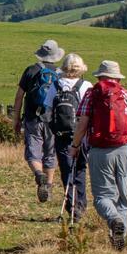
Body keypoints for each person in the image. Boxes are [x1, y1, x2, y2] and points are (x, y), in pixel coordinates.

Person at [69, 60, 127, 250]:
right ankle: (119, 240)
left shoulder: (91, 96)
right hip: (125, 149)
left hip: (100, 151)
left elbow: (82, 126)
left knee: (102, 197)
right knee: (123, 197)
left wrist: (74, 146)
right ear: (117, 78)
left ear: (99, 77)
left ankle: (113, 219)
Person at [11, 40, 64, 203]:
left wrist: (16, 119)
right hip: (53, 120)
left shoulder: (31, 70)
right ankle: (47, 185)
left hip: (33, 118)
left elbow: (19, 96)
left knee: (33, 151)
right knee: (50, 152)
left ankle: (38, 174)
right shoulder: (61, 73)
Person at [45, 53, 92, 223]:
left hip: (61, 136)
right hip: (81, 134)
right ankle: (80, 206)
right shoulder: (86, 85)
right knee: (80, 168)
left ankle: (71, 206)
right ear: (81, 69)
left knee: (66, 170)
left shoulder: (55, 85)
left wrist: (53, 129)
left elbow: (47, 110)